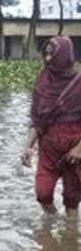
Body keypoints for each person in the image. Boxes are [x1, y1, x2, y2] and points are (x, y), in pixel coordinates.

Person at [21, 36, 81, 214]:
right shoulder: (42, 81)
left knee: (72, 198)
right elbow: (37, 119)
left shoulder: (79, 84)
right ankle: (51, 223)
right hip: (48, 147)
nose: (48, 59)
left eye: (52, 54)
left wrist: (79, 148)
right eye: (45, 54)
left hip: (74, 150)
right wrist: (28, 146)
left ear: (64, 55)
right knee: (42, 193)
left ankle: (69, 236)